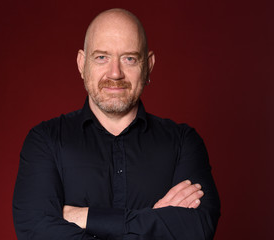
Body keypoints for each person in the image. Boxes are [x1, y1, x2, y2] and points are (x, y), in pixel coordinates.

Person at [13, 8, 220, 240]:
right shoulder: (45, 141)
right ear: (82, 64)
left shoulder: (183, 142)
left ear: (149, 65)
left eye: (129, 58)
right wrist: (153, 221)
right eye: (102, 57)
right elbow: (37, 233)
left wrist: (87, 217)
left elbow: (196, 230)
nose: (115, 73)